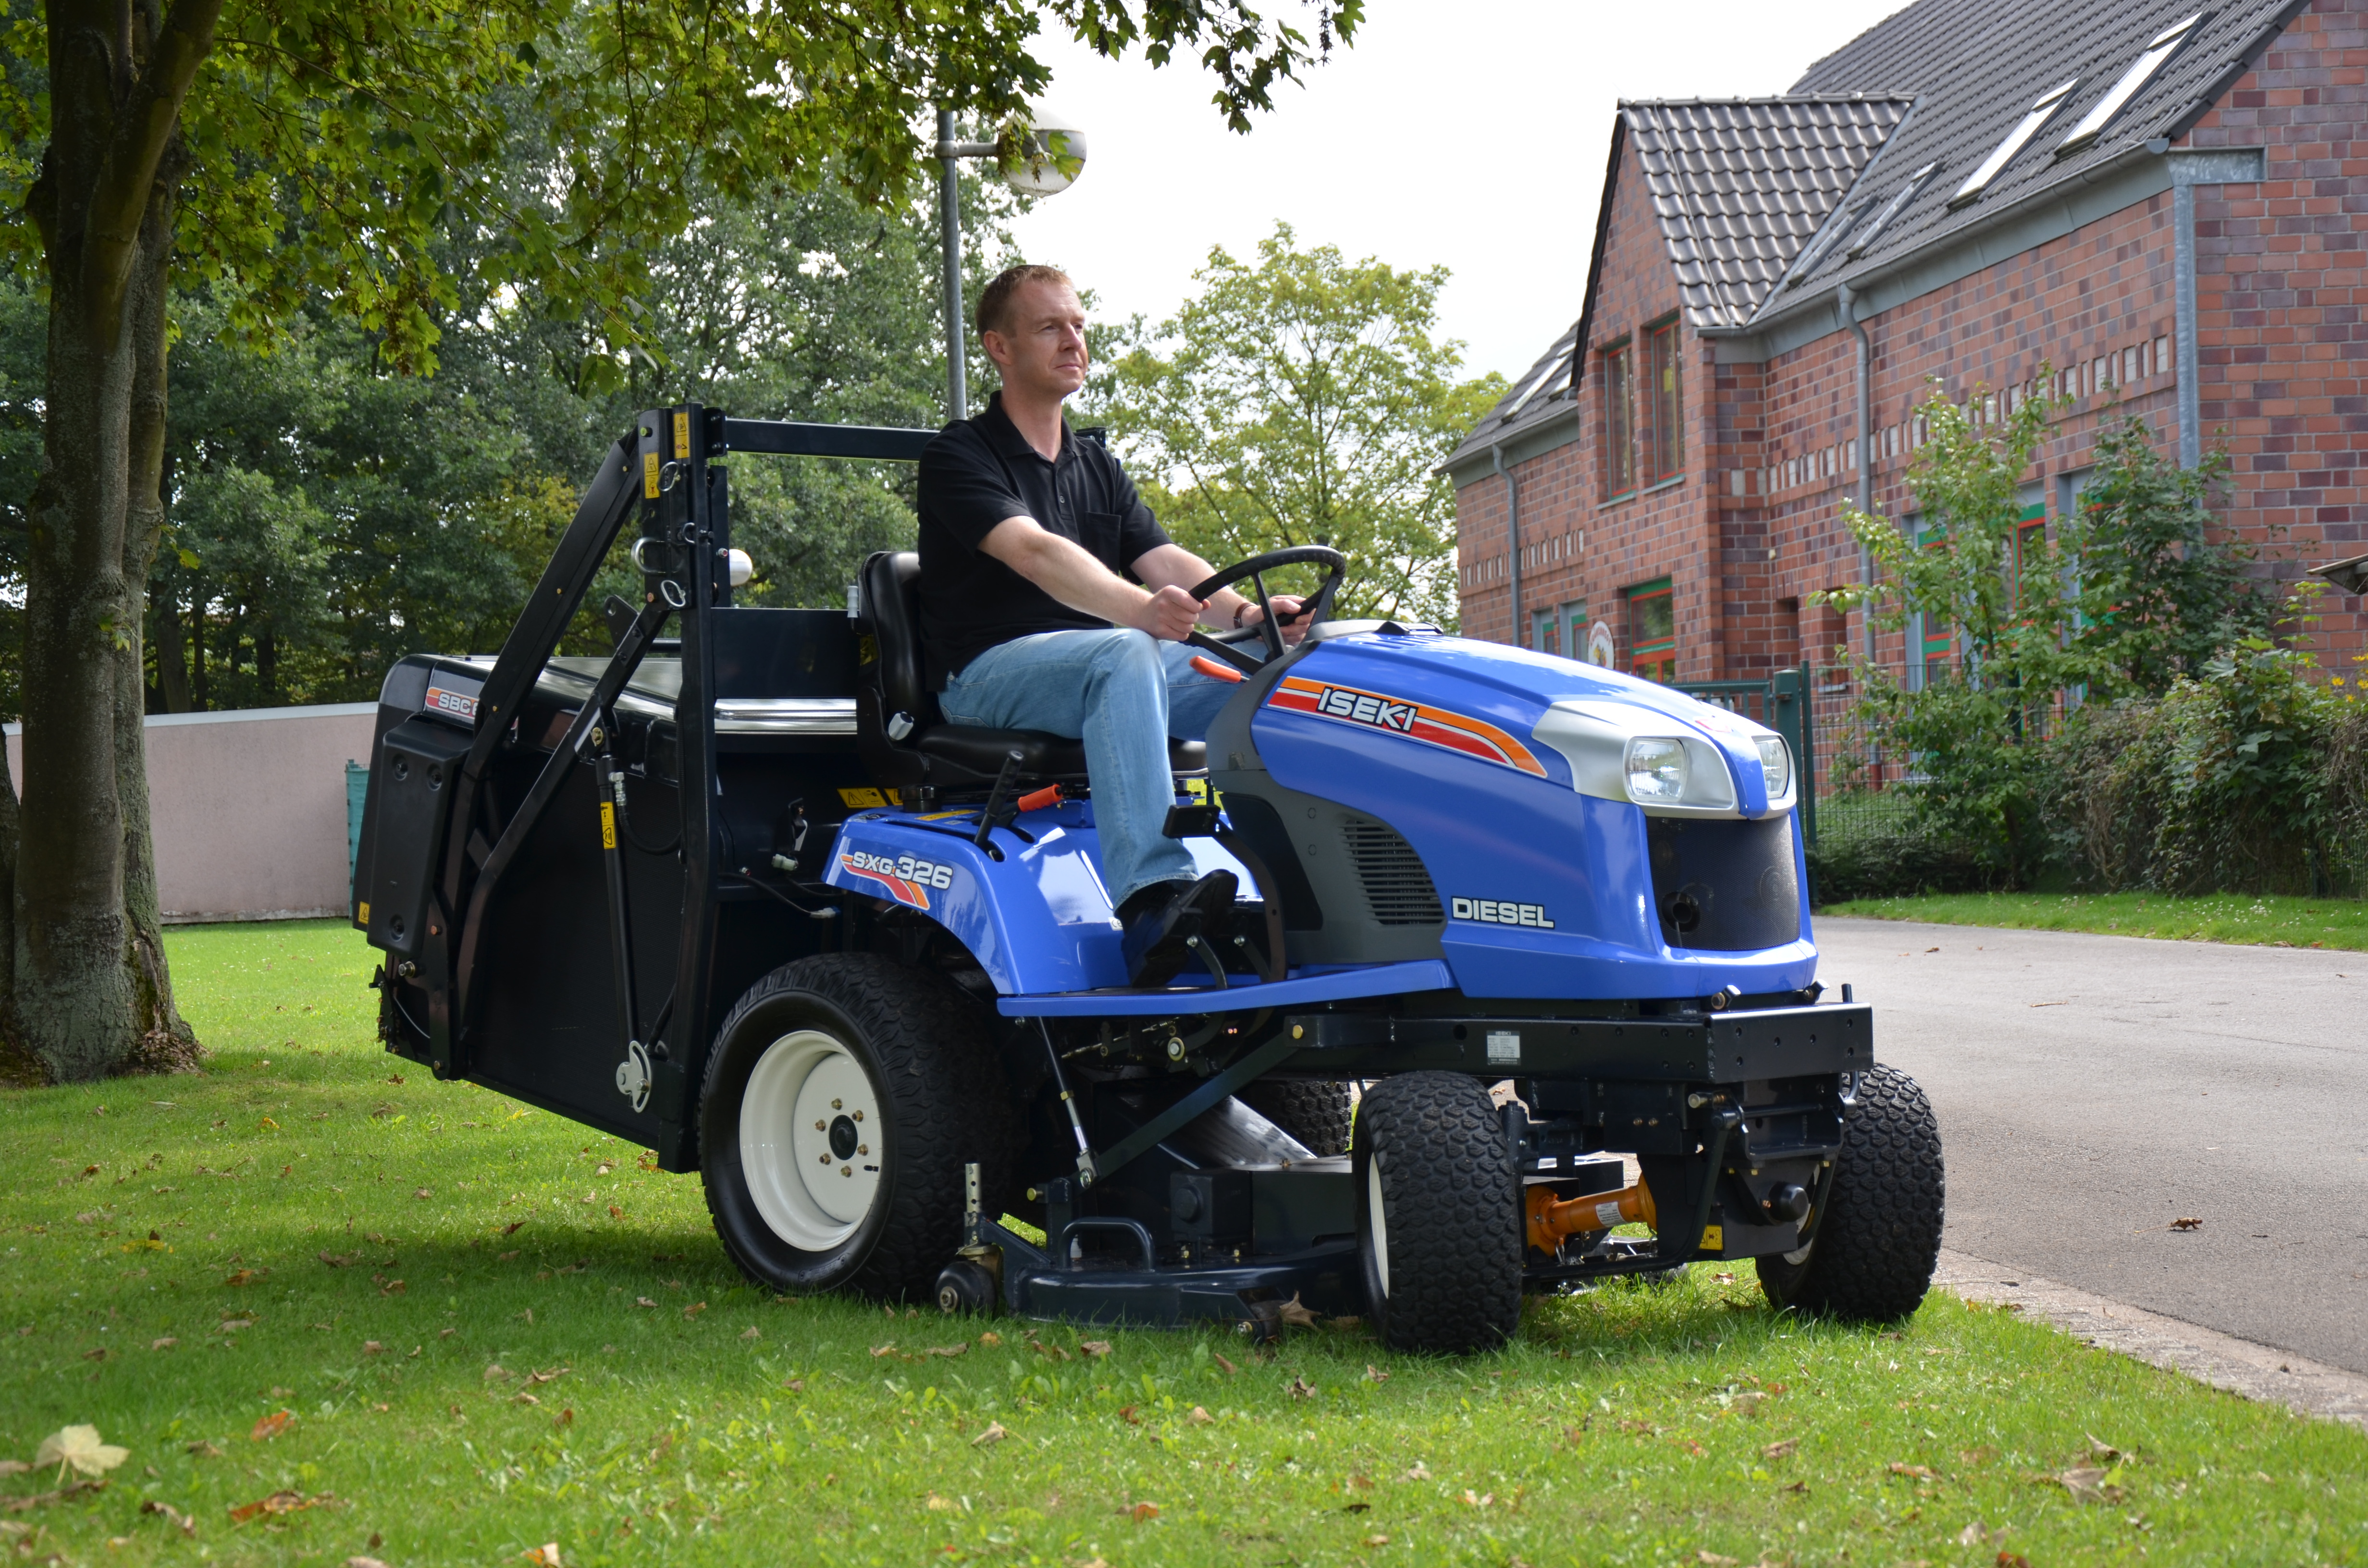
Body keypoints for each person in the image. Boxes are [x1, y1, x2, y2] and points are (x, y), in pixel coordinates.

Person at [917, 264, 1305, 986]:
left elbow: (1162, 559)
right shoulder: (959, 456)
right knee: (1126, 653)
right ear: (999, 348)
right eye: (1050, 328)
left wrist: (1252, 616)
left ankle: (1308, 885)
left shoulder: (1094, 462)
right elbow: (1035, 552)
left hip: (1108, 663)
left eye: (1079, 325)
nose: (1074, 341)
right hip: (993, 674)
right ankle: (1155, 903)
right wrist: (1139, 612)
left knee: (1283, 675)